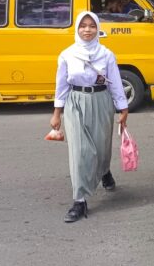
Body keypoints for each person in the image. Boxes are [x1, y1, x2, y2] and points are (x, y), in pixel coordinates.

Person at [51, 12, 128, 223]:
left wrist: (123, 108)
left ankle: (104, 170)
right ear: (76, 29)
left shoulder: (106, 54)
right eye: (83, 26)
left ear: (98, 29)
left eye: (91, 26)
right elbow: (61, 85)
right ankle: (80, 200)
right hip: (75, 102)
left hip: (101, 101)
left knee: (101, 147)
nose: (87, 30)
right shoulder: (67, 54)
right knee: (80, 151)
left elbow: (115, 82)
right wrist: (57, 113)